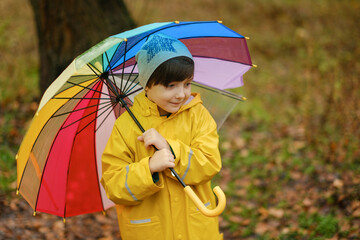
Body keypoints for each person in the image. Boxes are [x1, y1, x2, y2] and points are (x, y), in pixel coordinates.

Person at [101, 33, 223, 240]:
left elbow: (210, 163)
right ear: (147, 85)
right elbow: (114, 186)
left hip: (196, 229)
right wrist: (148, 168)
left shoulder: (198, 116)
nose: (181, 94)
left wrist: (170, 149)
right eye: (171, 86)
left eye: (187, 83)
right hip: (152, 232)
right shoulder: (125, 127)